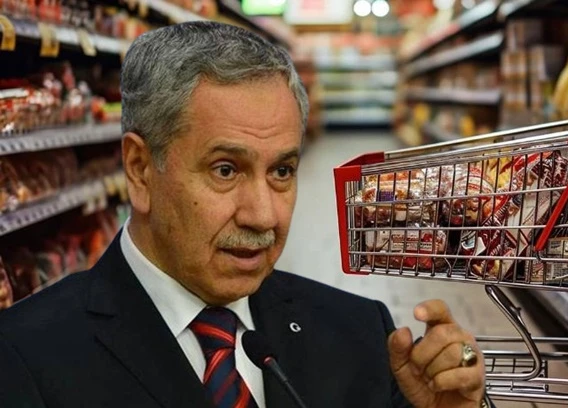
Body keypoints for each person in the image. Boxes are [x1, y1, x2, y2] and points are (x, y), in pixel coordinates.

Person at [0, 22, 488, 408]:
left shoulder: (362, 333)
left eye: (282, 171)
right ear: (140, 169)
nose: (264, 216)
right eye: (226, 170)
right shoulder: (24, 359)